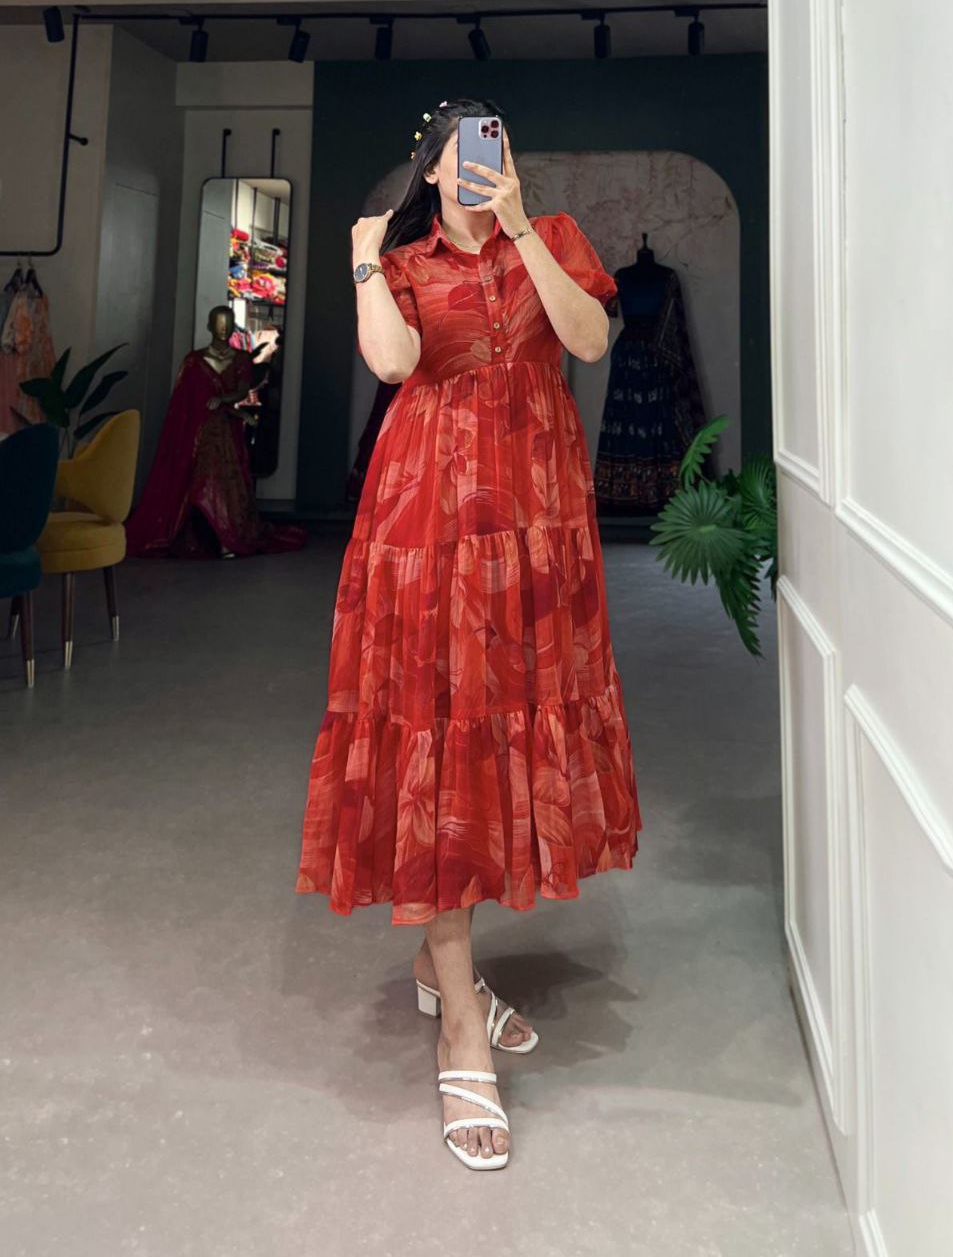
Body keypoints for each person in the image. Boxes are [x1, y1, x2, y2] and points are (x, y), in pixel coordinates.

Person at [295, 99, 642, 1170]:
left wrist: (525, 227)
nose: (487, 167)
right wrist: (364, 258)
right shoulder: (405, 263)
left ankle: (443, 971)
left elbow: (589, 340)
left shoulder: (555, 237)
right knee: (441, 736)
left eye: (501, 148)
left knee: (505, 730)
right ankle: (458, 1024)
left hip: (536, 522)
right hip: (429, 522)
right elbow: (393, 362)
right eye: (468, 154)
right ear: (435, 171)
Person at [125, 306, 306, 559]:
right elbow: (184, 402)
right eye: (219, 323)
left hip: (226, 430)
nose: (224, 328)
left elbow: (242, 391)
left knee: (222, 475)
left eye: (228, 323)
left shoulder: (241, 359)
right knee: (198, 475)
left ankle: (226, 534)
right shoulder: (194, 362)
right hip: (196, 429)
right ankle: (202, 531)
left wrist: (223, 400)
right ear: (209, 326)